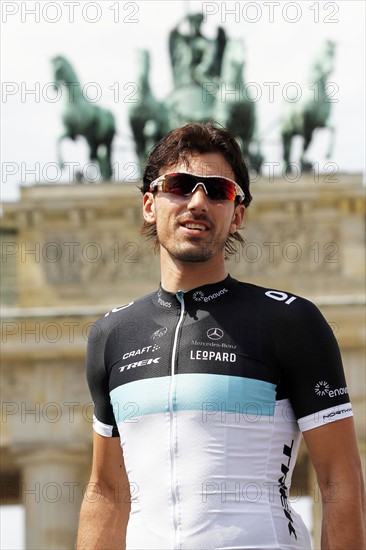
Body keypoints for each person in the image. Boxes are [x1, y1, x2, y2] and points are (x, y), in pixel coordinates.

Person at [77, 122, 365, 550]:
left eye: (218, 190)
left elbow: (340, 477)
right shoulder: (111, 334)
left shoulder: (291, 321)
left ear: (238, 215)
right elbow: (106, 491)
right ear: (149, 205)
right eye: (179, 185)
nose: (198, 201)